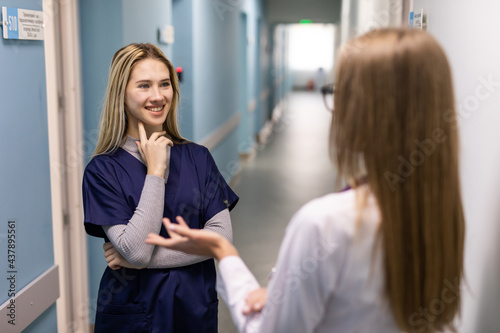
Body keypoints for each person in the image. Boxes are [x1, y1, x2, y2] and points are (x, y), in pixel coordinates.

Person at [145, 28, 465, 333]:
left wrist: (223, 252)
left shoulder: (325, 223)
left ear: (365, 112)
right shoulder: (440, 213)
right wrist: (286, 294)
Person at [82, 43, 238, 333]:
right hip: (132, 313)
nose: (157, 96)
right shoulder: (102, 171)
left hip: (193, 308)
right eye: (144, 85)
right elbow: (137, 252)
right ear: (122, 93)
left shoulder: (198, 158)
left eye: (165, 84)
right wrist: (155, 173)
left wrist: (141, 262)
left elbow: (221, 238)